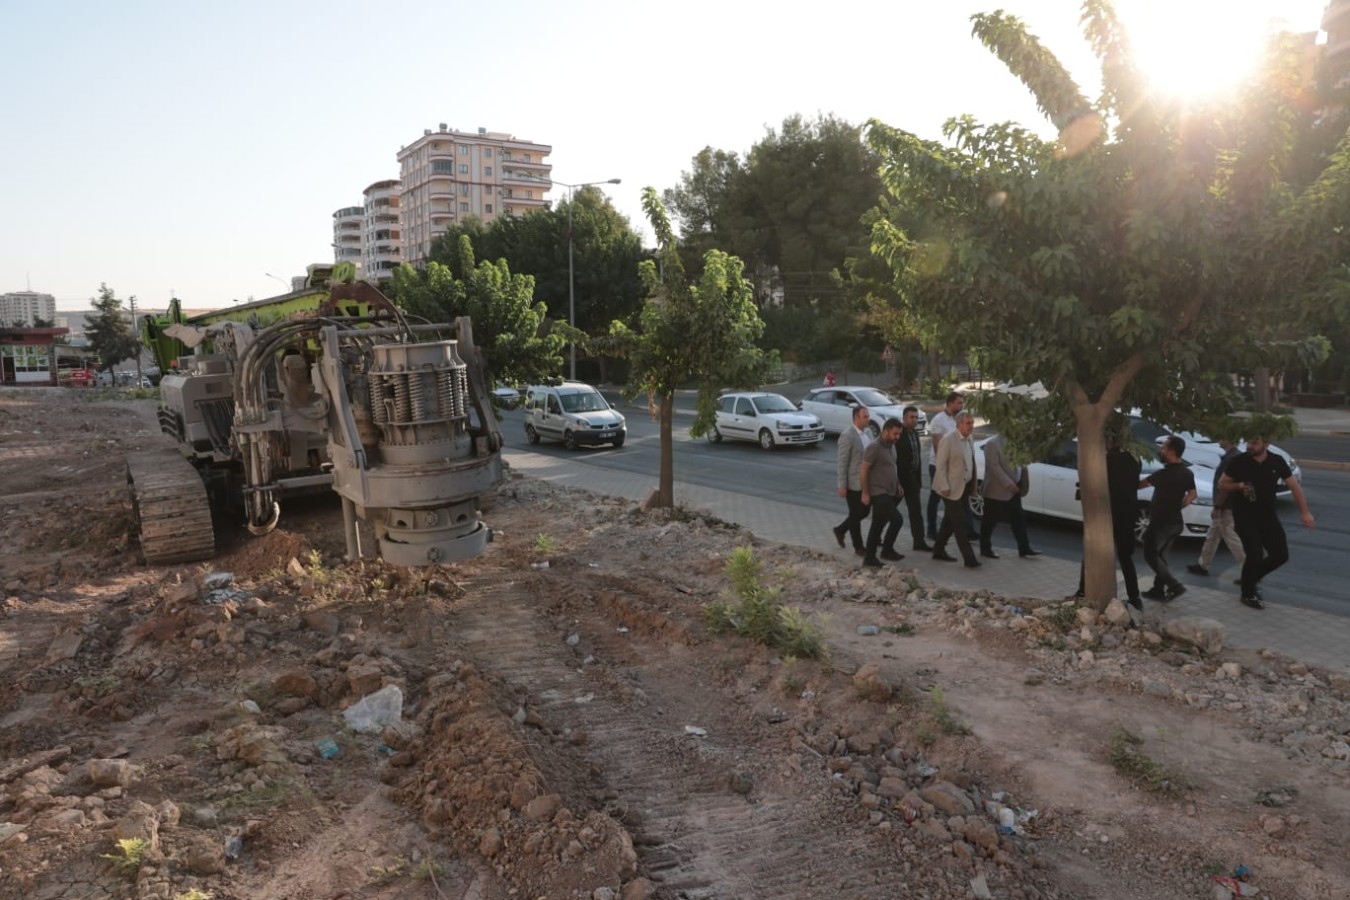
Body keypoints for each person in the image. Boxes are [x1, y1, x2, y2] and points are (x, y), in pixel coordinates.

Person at [1219, 434, 1316, 610]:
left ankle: (1250, 578)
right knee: (1255, 554)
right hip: (1244, 516)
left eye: (1255, 443)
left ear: (1266, 444)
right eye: (1249, 442)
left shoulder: (1276, 461)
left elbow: (1294, 486)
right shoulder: (1239, 461)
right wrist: (1239, 486)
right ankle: (1247, 593)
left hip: (1268, 516)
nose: (1250, 446)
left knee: (1281, 555)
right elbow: (1223, 484)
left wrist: (1305, 512)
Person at [1075, 432, 1144, 620]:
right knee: (1125, 556)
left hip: (1106, 513)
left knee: (1092, 552)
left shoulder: (1106, 460)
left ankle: (1082, 590)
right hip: (1128, 513)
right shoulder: (1136, 460)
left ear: (1111, 442)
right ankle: (1134, 596)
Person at [1139, 435, 1197, 601]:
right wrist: (1179, 506)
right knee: (1161, 557)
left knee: (1150, 555)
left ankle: (1174, 586)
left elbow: (1140, 485)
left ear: (1171, 452)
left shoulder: (1162, 474)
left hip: (1160, 523)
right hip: (1176, 523)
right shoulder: (1187, 473)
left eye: (1163, 448)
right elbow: (1193, 495)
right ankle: (1158, 590)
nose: (1160, 450)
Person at [1187, 438, 1247, 577]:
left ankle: (1249, 569)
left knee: (1231, 538)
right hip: (1228, 504)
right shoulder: (1233, 456)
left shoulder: (1230, 459)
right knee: (1213, 536)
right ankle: (1203, 564)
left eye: (1222, 437)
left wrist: (1218, 506)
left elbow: (1224, 486)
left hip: (1226, 506)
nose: (1219, 440)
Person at [931, 411, 981, 567]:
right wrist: (944, 486)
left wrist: (973, 486)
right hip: (950, 489)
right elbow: (940, 466)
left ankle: (938, 550)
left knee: (949, 522)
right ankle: (969, 559)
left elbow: (970, 462)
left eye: (972, 423)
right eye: (968, 423)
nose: (971, 426)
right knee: (960, 523)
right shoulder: (948, 440)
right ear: (959, 424)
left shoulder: (970, 438)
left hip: (963, 487)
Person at [978, 434, 1040, 559]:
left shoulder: (1017, 442)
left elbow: (1022, 462)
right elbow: (994, 468)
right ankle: (985, 548)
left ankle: (1024, 548)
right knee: (990, 521)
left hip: (1014, 490)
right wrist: (1009, 484)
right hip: (996, 491)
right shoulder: (992, 444)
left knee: (1019, 520)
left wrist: (1021, 481)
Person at [860, 417, 906, 568]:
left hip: (890, 491)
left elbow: (893, 466)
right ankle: (883, 551)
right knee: (897, 519)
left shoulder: (891, 446)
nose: (897, 437)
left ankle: (872, 556)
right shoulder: (874, 447)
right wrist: (865, 493)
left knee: (877, 525)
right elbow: (864, 469)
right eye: (895, 434)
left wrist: (898, 483)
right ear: (885, 431)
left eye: (899, 434)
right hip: (878, 492)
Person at [832, 405, 872, 557]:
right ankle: (858, 546)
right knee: (856, 514)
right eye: (865, 416)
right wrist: (842, 485)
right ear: (856, 418)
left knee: (864, 511)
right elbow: (842, 462)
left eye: (868, 416)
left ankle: (840, 529)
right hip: (853, 483)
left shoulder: (867, 432)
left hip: (866, 482)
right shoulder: (847, 436)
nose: (868, 419)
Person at [926, 391, 965, 541]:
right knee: (936, 498)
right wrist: (943, 468)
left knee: (956, 499)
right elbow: (938, 446)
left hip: (955, 467)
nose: (961, 406)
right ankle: (931, 530)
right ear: (950, 403)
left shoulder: (958, 419)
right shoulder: (939, 420)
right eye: (959, 403)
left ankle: (962, 529)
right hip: (939, 466)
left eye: (962, 403)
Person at [894, 406, 933, 552]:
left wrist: (918, 480)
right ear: (904, 418)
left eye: (916, 417)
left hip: (912, 479)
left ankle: (919, 541)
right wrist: (897, 481)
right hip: (900, 480)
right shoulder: (899, 434)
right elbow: (896, 459)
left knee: (916, 511)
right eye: (912, 417)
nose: (915, 420)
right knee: (888, 510)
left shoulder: (915, 433)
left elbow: (917, 458)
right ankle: (877, 536)